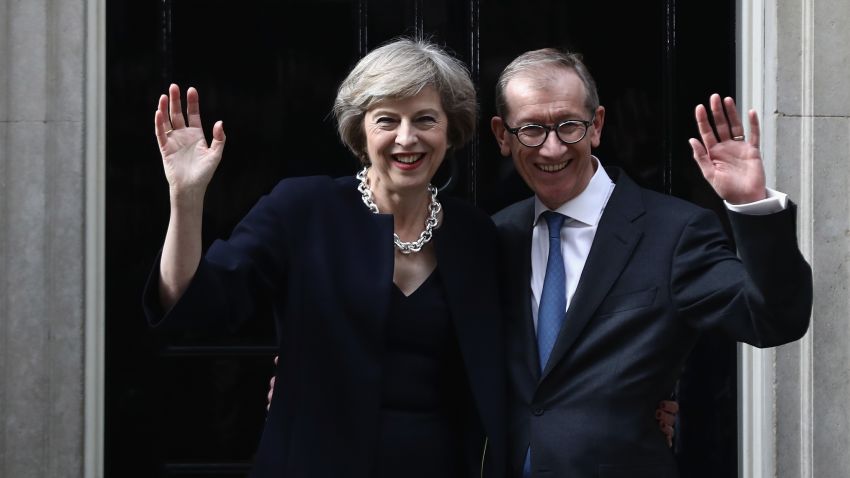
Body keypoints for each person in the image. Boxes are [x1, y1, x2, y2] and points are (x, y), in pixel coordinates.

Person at [143, 38, 507, 478]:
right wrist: (185, 198)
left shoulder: (476, 235)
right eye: (386, 120)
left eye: (425, 119)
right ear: (360, 130)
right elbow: (193, 302)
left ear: (451, 130)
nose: (406, 138)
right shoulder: (304, 208)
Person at [489, 48, 813, 477]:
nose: (552, 148)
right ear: (502, 135)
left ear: (597, 126)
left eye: (568, 125)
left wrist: (752, 205)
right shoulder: (495, 236)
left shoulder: (674, 233)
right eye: (531, 129)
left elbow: (773, 319)